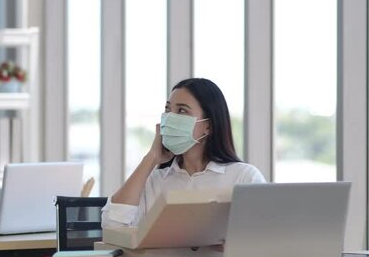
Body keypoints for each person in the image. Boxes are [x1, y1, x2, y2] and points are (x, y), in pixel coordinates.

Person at [102, 78, 265, 228]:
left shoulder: (244, 177)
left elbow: (262, 234)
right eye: (168, 109)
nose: (170, 117)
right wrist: (151, 158)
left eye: (181, 111)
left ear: (208, 126)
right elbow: (112, 225)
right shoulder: (156, 180)